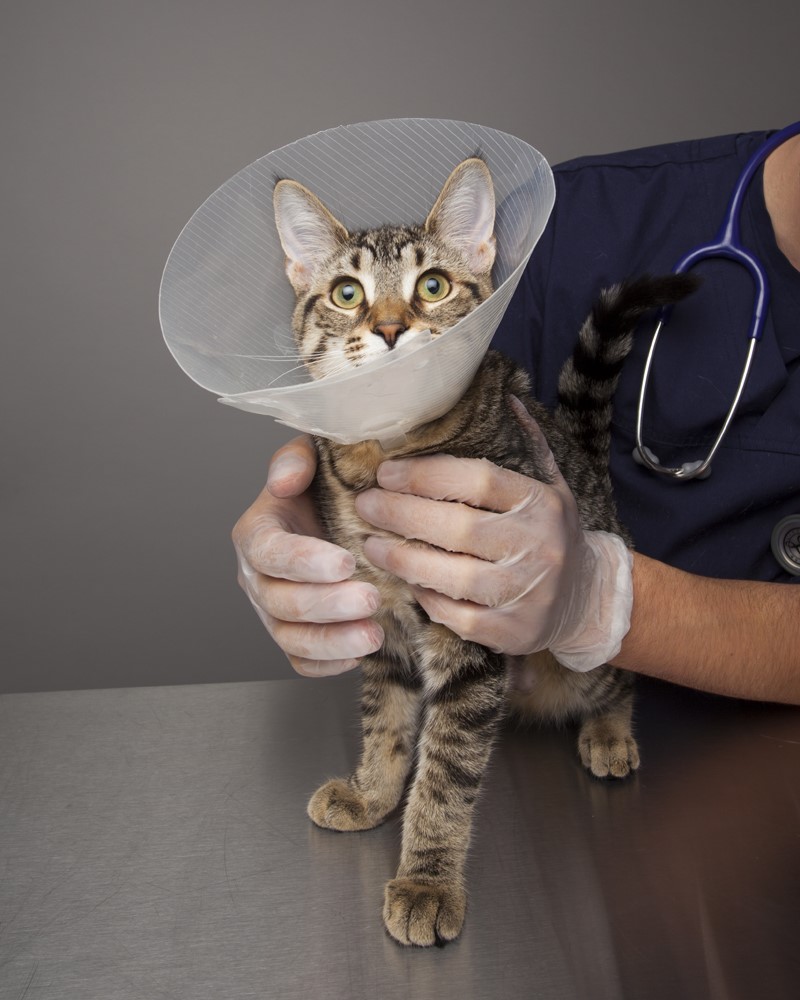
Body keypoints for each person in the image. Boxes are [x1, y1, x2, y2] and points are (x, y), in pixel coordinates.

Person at [232, 127, 800, 705]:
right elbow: (416, 381)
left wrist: (602, 602)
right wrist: (312, 495)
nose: (389, 322)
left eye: (429, 286)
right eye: (353, 296)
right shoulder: (566, 217)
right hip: (518, 736)